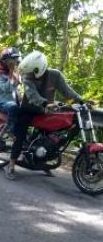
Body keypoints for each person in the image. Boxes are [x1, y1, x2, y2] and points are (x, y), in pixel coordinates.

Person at [6, 50, 85, 180]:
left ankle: (43, 161)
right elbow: (32, 95)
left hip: (45, 112)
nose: (30, 74)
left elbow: (67, 92)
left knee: (52, 137)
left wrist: (82, 100)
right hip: (28, 110)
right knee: (19, 136)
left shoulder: (55, 75)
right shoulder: (28, 77)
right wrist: (44, 103)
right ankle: (11, 164)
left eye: (32, 71)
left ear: (39, 68)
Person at [0, 47, 22, 135]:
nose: (13, 63)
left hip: (14, 102)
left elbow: (19, 83)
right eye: (11, 61)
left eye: (15, 60)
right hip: (3, 103)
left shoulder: (15, 73)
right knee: (13, 108)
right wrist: (11, 71)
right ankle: (9, 132)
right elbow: (8, 89)